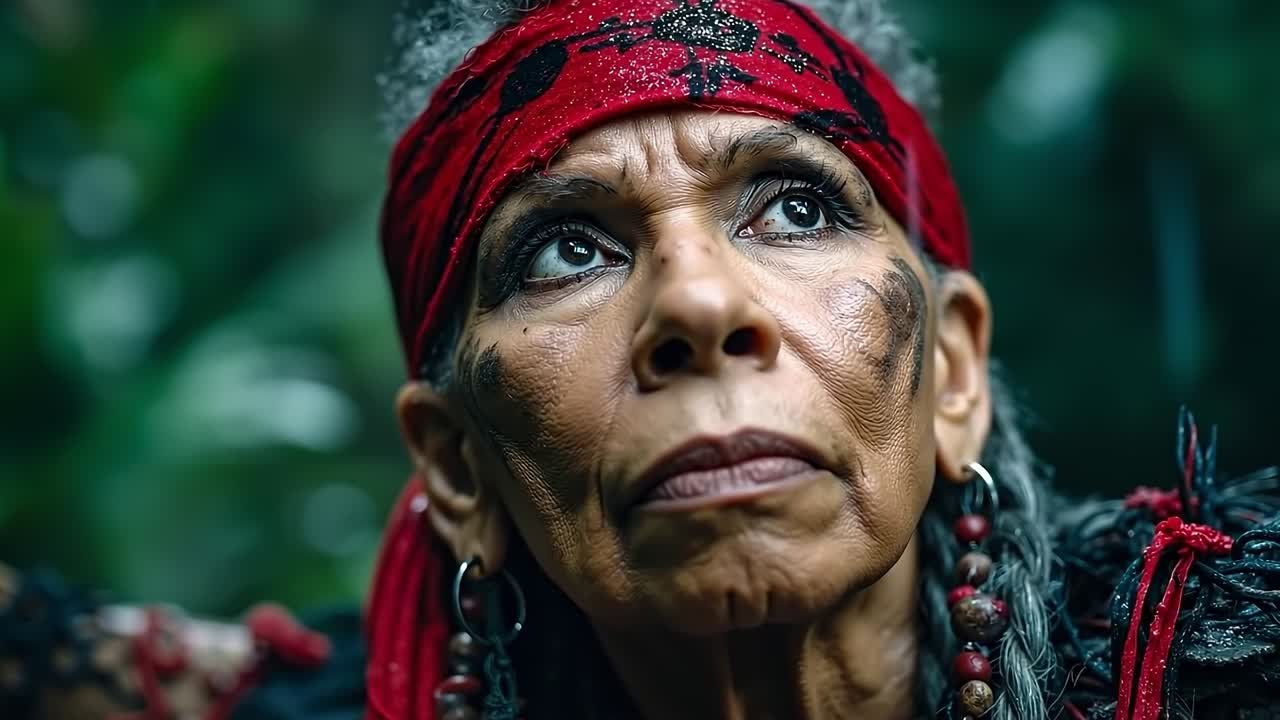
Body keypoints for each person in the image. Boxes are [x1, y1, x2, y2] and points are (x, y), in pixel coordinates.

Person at [3, 1, 1278, 719]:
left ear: (950, 374)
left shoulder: (1224, 649)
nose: (698, 303)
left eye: (795, 207)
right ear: (458, 467)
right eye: (565, 250)